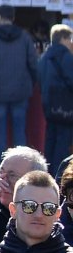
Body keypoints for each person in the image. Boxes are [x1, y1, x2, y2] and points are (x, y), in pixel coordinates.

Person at [46, 23, 73, 173]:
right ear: (63, 38)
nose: (71, 42)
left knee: (50, 141)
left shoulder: (45, 56)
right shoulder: (66, 56)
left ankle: (48, 172)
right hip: (65, 107)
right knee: (63, 142)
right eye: (69, 38)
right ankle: (59, 174)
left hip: (49, 106)